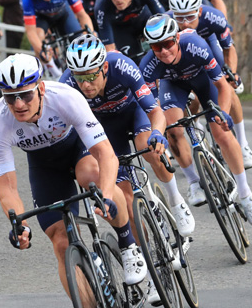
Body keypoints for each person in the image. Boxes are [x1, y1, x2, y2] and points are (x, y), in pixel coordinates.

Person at [0, 54, 147, 308]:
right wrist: (19, 225)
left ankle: (128, 244)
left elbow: (106, 154)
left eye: (25, 95)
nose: (18, 104)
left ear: (40, 88)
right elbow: (6, 187)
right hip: (44, 167)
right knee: (61, 243)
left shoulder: (66, 97)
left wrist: (107, 194)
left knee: (93, 176)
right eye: (10, 97)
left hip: (78, 150)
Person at [61, 34, 195, 239]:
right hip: (105, 127)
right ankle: (148, 252)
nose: (86, 85)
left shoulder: (122, 66)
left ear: (105, 68)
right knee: (125, 199)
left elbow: (155, 112)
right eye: (80, 78)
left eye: (90, 77)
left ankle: (176, 200)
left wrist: (157, 133)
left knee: (149, 148)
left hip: (134, 112)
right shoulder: (67, 84)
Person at [139, 15, 252, 224]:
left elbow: (223, 86)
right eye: (157, 47)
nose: (164, 51)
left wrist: (223, 113)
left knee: (221, 133)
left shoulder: (195, 45)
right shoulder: (148, 65)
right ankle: (194, 182)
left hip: (203, 81)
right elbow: (154, 108)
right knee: (173, 130)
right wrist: (159, 131)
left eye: (168, 44)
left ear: (177, 38)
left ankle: (245, 193)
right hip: (173, 86)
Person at [169, 0, 252, 168]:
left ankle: (243, 144)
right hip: (185, 56)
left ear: (199, 11)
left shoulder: (213, 17)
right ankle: (197, 127)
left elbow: (228, 49)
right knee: (190, 93)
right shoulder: (168, 23)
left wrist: (232, 72)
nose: (185, 23)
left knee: (228, 88)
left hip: (209, 45)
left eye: (190, 16)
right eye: (180, 17)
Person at [21, 0, 93, 77]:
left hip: (62, 14)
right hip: (42, 17)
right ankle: (49, 73)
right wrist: (40, 50)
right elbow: (30, 31)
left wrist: (89, 36)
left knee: (80, 39)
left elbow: (82, 15)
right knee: (38, 40)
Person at [94, 0, 164, 62]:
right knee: (132, 60)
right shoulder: (101, 5)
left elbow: (164, 19)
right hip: (122, 29)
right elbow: (109, 48)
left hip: (145, 21)